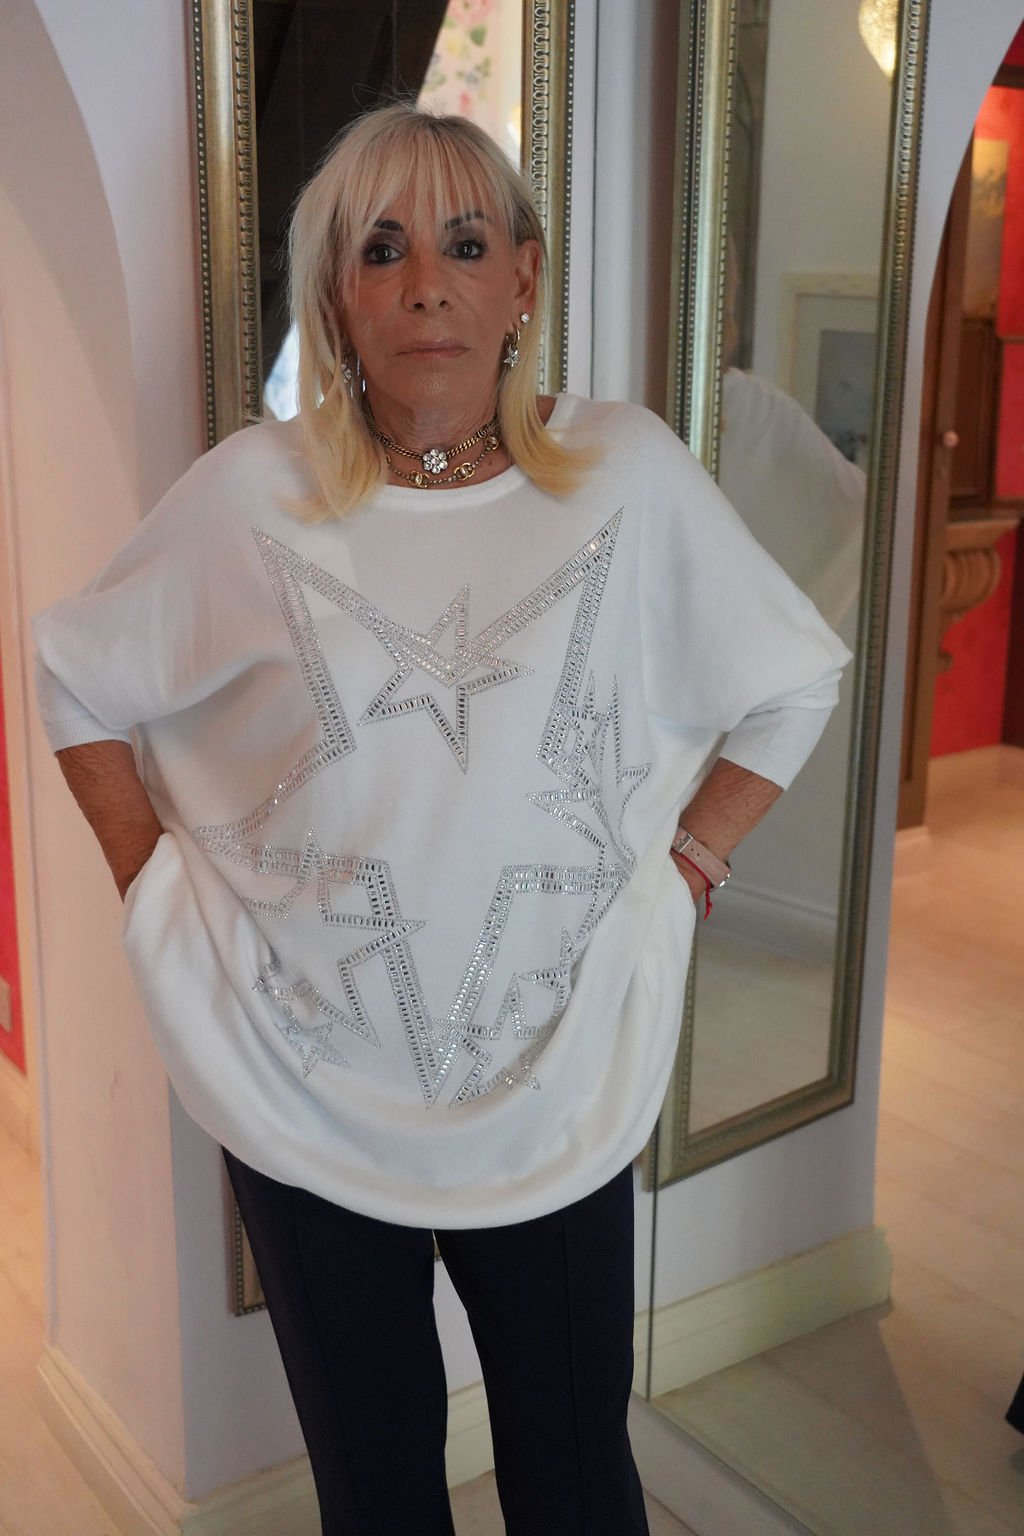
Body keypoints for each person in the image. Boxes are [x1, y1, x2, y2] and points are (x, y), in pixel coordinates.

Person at [33, 105, 850, 1536]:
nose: (426, 287)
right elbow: (77, 673)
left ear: (523, 276)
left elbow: (793, 679)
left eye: (465, 247)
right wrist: (152, 888)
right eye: (383, 250)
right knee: (378, 1493)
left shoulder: (626, 472)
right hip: (297, 1082)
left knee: (577, 1476)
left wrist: (691, 861)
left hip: (557, 1079)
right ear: (337, 293)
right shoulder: (251, 495)